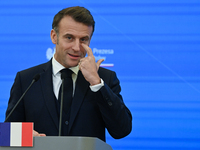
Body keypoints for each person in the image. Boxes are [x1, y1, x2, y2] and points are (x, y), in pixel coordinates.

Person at [5, 6, 132, 141]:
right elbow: (7, 135)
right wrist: (25, 137)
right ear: (54, 37)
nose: (77, 48)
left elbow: (122, 130)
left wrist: (96, 83)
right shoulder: (27, 79)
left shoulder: (105, 78)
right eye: (69, 38)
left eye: (83, 39)